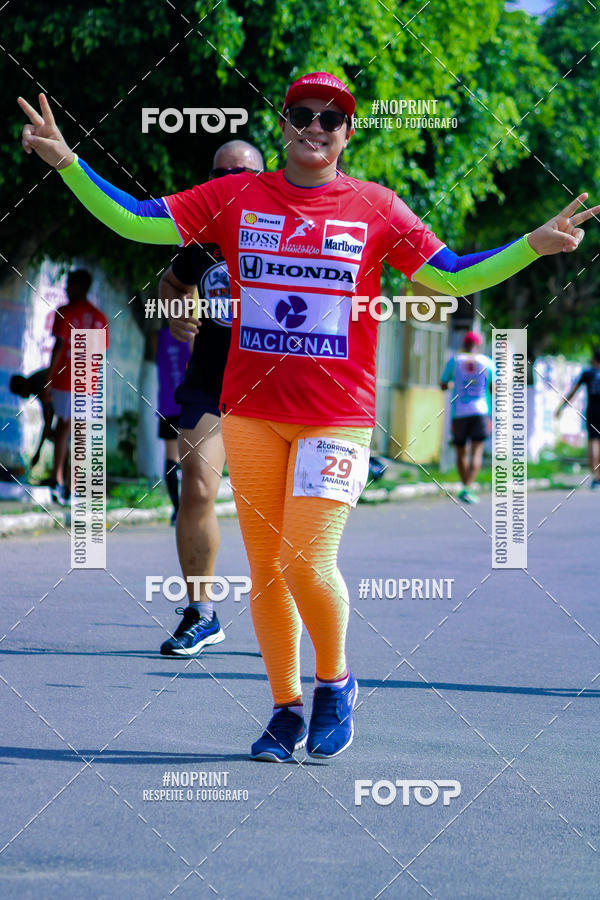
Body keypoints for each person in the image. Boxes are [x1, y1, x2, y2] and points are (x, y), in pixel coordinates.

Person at [19, 76, 599, 761]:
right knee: (267, 570)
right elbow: (136, 220)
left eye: (333, 118)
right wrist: (69, 165)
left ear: (348, 133)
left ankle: (335, 682)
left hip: (337, 416)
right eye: (303, 114)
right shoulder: (236, 195)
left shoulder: (375, 206)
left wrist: (530, 244)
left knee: (307, 558)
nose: (316, 126)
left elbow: (449, 275)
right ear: (284, 124)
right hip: (252, 413)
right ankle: (285, 709)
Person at [158, 140, 264, 658]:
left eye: (243, 174)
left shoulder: (286, 236)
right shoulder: (201, 239)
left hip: (274, 385)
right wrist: (177, 312)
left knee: (282, 511)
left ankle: (292, 616)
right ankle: (201, 612)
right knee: (196, 485)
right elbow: (172, 284)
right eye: (221, 174)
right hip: (210, 381)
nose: (231, 182)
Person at [44, 269, 108, 504]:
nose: (66, 288)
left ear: (80, 287)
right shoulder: (100, 318)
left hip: (64, 380)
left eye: (70, 284)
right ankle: (72, 487)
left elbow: (59, 348)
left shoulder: (65, 312)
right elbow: (99, 356)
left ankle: (56, 480)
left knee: (63, 429)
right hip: (88, 383)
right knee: (79, 433)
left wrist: (48, 380)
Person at [440, 331, 494, 504]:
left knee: (461, 451)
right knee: (476, 452)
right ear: (478, 345)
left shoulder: (455, 361)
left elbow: (443, 384)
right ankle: (467, 487)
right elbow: (495, 388)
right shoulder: (487, 362)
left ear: (464, 344)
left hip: (460, 412)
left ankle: (465, 486)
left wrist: (455, 384)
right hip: (481, 411)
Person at [152, 323, 191, 524]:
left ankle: (177, 509)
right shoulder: (191, 335)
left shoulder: (157, 337)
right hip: (188, 406)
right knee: (190, 459)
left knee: (172, 458)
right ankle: (184, 508)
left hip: (168, 405)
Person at [555, 348, 600, 488]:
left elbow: (573, 391)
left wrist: (561, 407)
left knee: (593, 441)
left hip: (593, 410)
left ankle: (596, 477)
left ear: (594, 359)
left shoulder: (587, 373)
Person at [9, 368, 54, 470]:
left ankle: (60, 477)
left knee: (59, 435)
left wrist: (38, 452)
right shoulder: (35, 383)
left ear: (23, 386)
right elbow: (48, 420)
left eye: (19, 393)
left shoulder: (38, 385)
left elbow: (48, 420)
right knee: (53, 434)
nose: (21, 397)